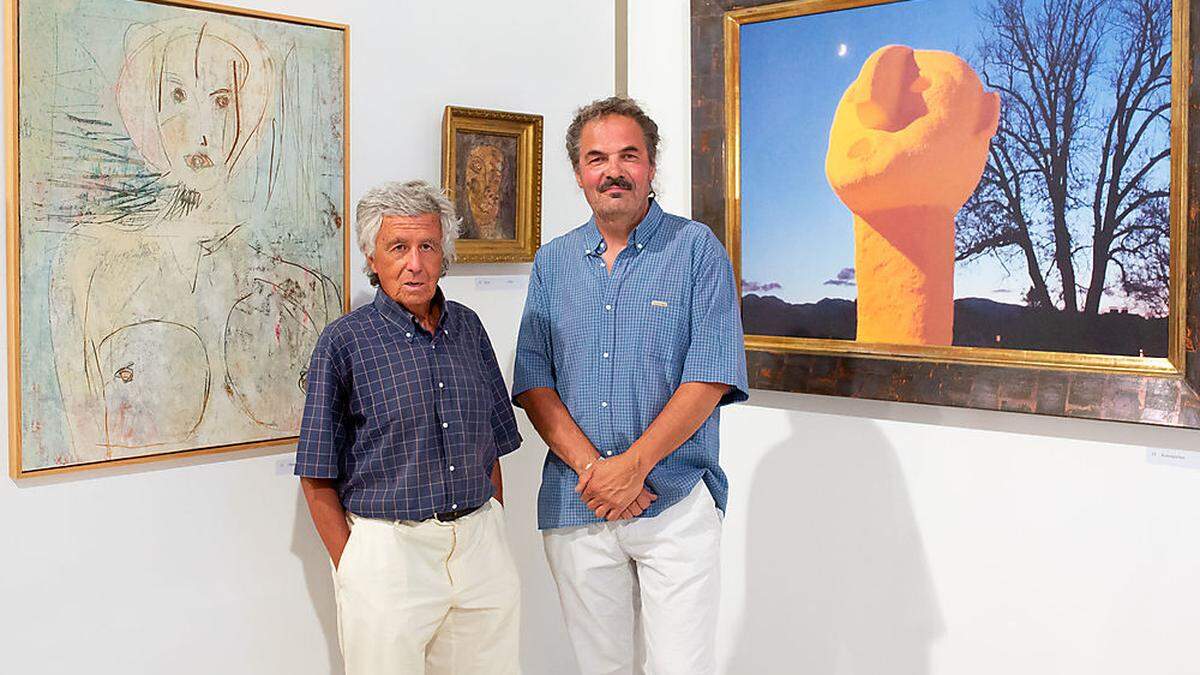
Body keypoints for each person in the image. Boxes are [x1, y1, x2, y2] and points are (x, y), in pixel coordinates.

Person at [512, 97, 748, 675]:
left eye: (628, 155)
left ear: (651, 165)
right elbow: (534, 383)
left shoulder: (696, 252)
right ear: (578, 173)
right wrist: (600, 473)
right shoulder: (553, 262)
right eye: (597, 158)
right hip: (578, 505)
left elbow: (710, 376)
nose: (612, 170)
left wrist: (634, 467)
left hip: (672, 505)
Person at [295, 180, 522, 674]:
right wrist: (354, 564)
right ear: (372, 260)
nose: (414, 263)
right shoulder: (343, 343)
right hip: (389, 556)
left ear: (444, 256)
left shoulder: (470, 328)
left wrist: (492, 526)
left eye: (427, 247)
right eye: (398, 247)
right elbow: (316, 476)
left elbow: (493, 447)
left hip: (480, 550)